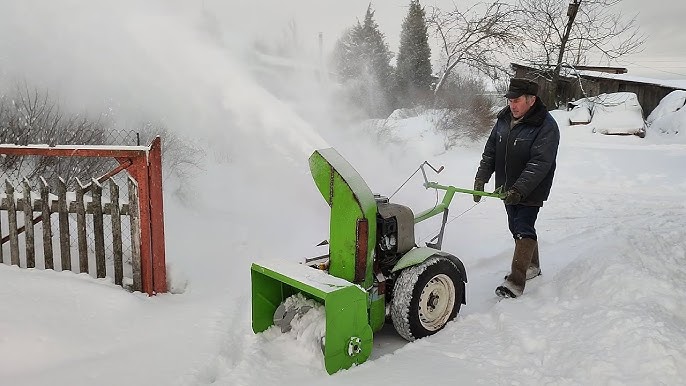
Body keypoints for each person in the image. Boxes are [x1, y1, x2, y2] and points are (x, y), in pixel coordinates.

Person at [473, 78, 560, 298]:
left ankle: (516, 281)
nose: (512, 104)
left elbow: (540, 163)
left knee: (523, 226)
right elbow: (491, 151)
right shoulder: (503, 119)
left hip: (531, 189)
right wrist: (481, 177)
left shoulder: (545, 126)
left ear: (531, 100)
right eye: (510, 100)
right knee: (516, 225)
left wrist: (519, 190)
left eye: (517, 100)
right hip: (507, 187)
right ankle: (533, 265)